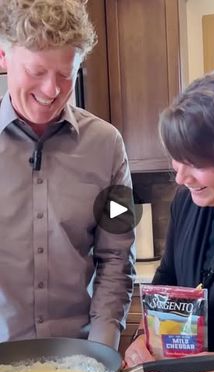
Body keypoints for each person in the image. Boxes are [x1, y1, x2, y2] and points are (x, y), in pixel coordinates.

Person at [0, 0, 135, 349]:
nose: (52, 90)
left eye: (65, 74)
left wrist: (101, 353)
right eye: (37, 71)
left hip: (79, 362)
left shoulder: (107, 147)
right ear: (4, 56)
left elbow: (116, 256)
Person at [125, 71, 214, 372]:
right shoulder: (186, 203)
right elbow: (168, 278)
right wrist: (146, 337)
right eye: (177, 158)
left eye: (196, 162)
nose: (181, 177)